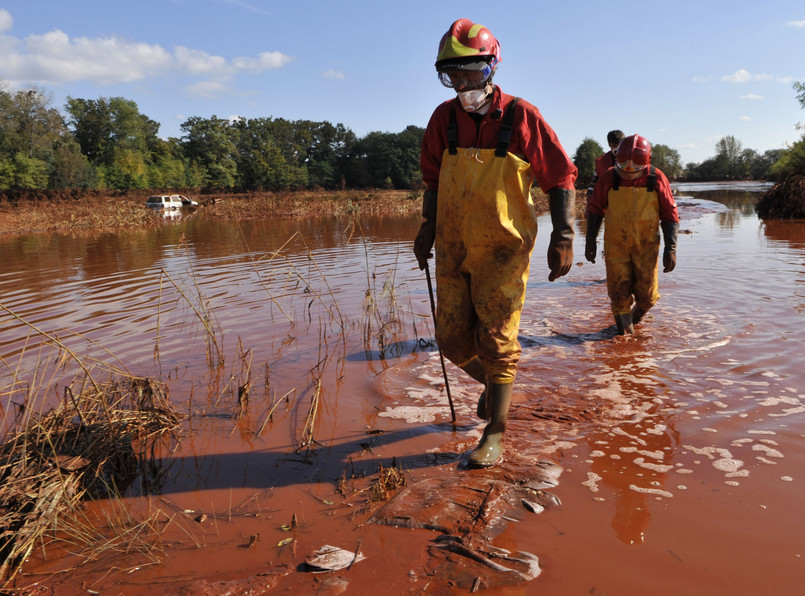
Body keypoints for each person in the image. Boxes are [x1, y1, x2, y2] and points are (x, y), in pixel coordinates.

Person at [413, 18, 577, 468]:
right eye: (453, 75)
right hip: (452, 245)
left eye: (472, 72)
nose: (463, 83)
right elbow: (432, 180)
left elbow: (561, 178)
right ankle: (494, 384)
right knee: (450, 338)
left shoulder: (522, 116)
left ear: (492, 68)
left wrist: (563, 234)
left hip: (503, 250)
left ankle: (495, 432)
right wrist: (427, 228)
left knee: (498, 339)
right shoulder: (442, 120)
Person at [585, 134, 679, 334]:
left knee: (648, 297)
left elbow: (670, 215)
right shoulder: (609, 177)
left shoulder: (656, 177)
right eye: (623, 166)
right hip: (616, 245)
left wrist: (670, 248)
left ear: (647, 162)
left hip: (646, 246)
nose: (628, 172)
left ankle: (629, 325)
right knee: (619, 295)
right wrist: (590, 241)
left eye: (635, 169)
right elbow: (595, 210)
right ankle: (626, 342)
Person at [586, 130, 625, 198]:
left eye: (620, 145)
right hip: (608, 201)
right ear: (609, 145)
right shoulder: (601, 161)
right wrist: (590, 194)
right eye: (615, 145)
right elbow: (595, 180)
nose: (617, 148)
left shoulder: (631, 160)